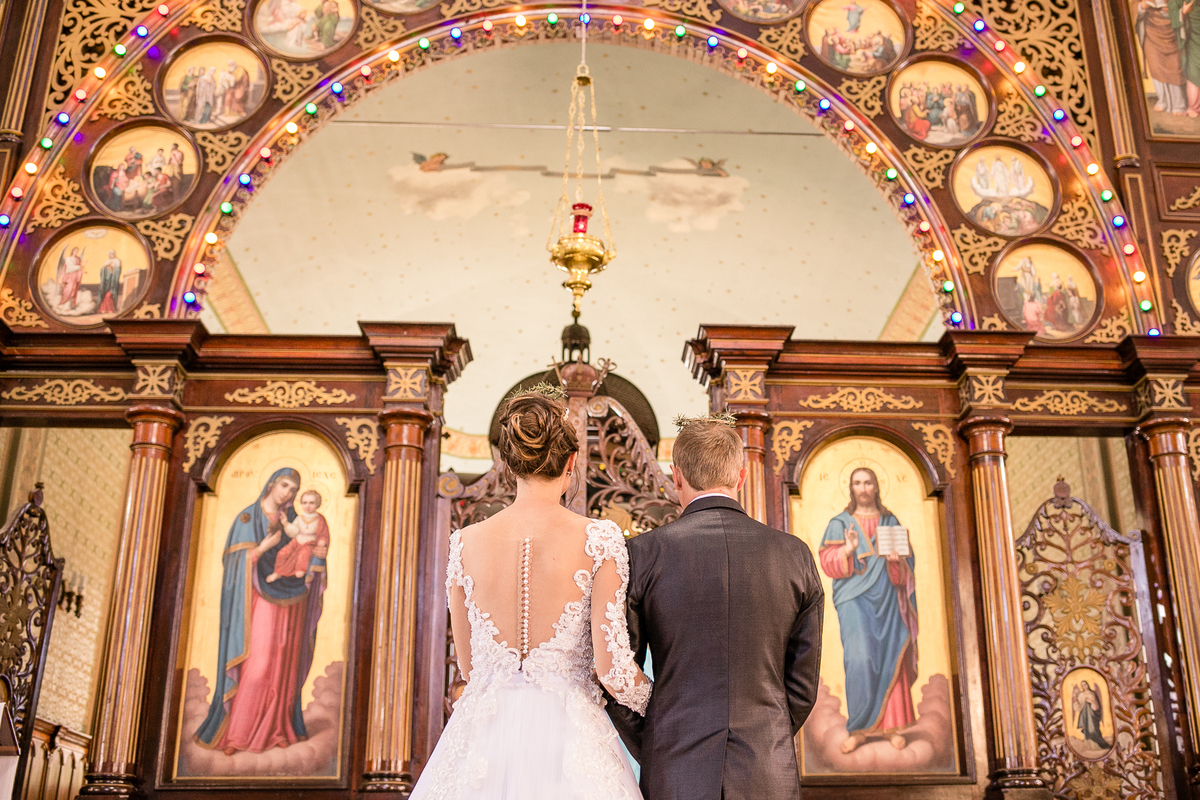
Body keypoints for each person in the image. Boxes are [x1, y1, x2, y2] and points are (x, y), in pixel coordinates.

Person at [411, 388, 649, 799]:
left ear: (508, 463)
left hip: (482, 738)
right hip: (571, 744)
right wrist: (669, 704)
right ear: (572, 462)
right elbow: (614, 674)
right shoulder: (599, 538)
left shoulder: (464, 543)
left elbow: (469, 668)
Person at [606, 415, 824, 800]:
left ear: (675, 477)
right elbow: (803, 688)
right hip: (767, 770)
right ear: (740, 477)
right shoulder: (795, 555)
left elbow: (619, 672)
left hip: (674, 768)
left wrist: (659, 739)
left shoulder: (642, 554)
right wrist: (767, 733)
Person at [194, 467, 330, 754]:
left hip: (292, 602)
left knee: (283, 665)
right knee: (258, 665)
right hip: (256, 603)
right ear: (270, 484)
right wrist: (258, 551)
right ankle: (238, 734)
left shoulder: (295, 519)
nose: (288, 494)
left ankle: (277, 728)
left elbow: (313, 551)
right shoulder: (247, 518)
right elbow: (233, 565)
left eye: (294, 489)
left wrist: (318, 559)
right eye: (284, 486)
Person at [818, 466, 916, 753]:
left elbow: (906, 569)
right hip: (853, 600)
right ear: (851, 488)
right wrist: (847, 550)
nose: (863, 488)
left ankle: (892, 726)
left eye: (868, 482)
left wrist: (897, 561)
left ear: (876, 486)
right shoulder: (840, 523)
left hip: (888, 598)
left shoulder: (890, 521)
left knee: (890, 654)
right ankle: (860, 728)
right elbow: (826, 562)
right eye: (857, 483)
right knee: (859, 659)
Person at [268, 489, 330, 582]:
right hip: (297, 540)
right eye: (304, 503)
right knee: (283, 552)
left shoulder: (319, 518)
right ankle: (278, 572)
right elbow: (294, 532)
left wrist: (322, 541)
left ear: (318, 504)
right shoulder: (300, 518)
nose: (307, 506)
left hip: (310, 542)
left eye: (311, 503)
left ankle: (301, 570)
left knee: (303, 554)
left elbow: (324, 533)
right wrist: (285, 523)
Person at [97, 249, 122, 314]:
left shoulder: (117, 261)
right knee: (105, 295)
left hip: (113, 281)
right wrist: (105, 268)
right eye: (110, 254)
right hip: (106, 281)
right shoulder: (107, 261)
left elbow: (118, 270)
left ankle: (110, 308)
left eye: (112, 254)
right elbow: (102, 269)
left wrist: (112, 269)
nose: (111, 255)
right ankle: (103, 309)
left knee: (109, 295)